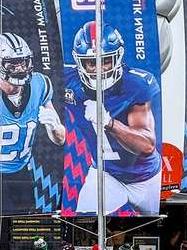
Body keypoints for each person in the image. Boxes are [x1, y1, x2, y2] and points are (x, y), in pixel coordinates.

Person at [65, 21, 162, 214]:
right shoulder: (68, 81)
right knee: (85, 221)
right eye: (92, 62)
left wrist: (109, 123)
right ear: (80, 62)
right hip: (106, 174)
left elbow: (147, 146)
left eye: (106, 61)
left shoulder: (136, 84)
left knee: (157, 224)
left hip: (147, 176)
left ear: (118, 57)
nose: (99, 68)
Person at [0, 33, 65, 215]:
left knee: (26, 223)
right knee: (0, 224)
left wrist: (54, 126)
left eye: (24, 62)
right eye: (13, 63)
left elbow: (60, 139)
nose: (20, 68)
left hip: (22, 173)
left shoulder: (40, 84)